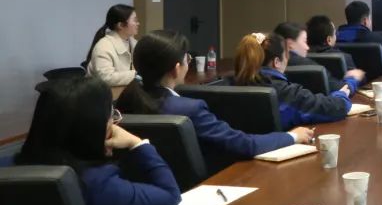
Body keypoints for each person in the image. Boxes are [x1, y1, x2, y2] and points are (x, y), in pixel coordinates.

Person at [117, 30, 313, 171]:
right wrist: (293, 136)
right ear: (177, 69)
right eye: (187, 59)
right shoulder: (189, 109)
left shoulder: (124, 101)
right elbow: (245, 145)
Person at [15, 76, 181, 205]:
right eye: (111, 115)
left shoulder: (10, 169)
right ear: (94, 126)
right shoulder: (101, 186)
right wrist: (137, 143)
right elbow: (169, 194)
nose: (114, 123)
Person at [233, 33, 354, 125]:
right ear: (277, 62)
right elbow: (331, 109)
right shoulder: (285, 91)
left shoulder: (231, 83)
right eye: (286, 56)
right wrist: (341, 95)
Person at [274, 21, 365, 88]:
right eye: (305, 41)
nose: (307, 47)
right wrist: (352, 79)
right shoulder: (308, 66)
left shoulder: (268, 66)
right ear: (290, 44)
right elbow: (340, 89)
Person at [336, 1, 382, 69]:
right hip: (375, 77)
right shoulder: (373, 38)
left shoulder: (335, 38)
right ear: (365, 21)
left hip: (346, 77)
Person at [85, 4, 140, 88]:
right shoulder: (103, 46)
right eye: (135, 20)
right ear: (120, 25)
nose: (138, 23)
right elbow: (106, 78)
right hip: (100, 93)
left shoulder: (134, 43)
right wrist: (137, 74)